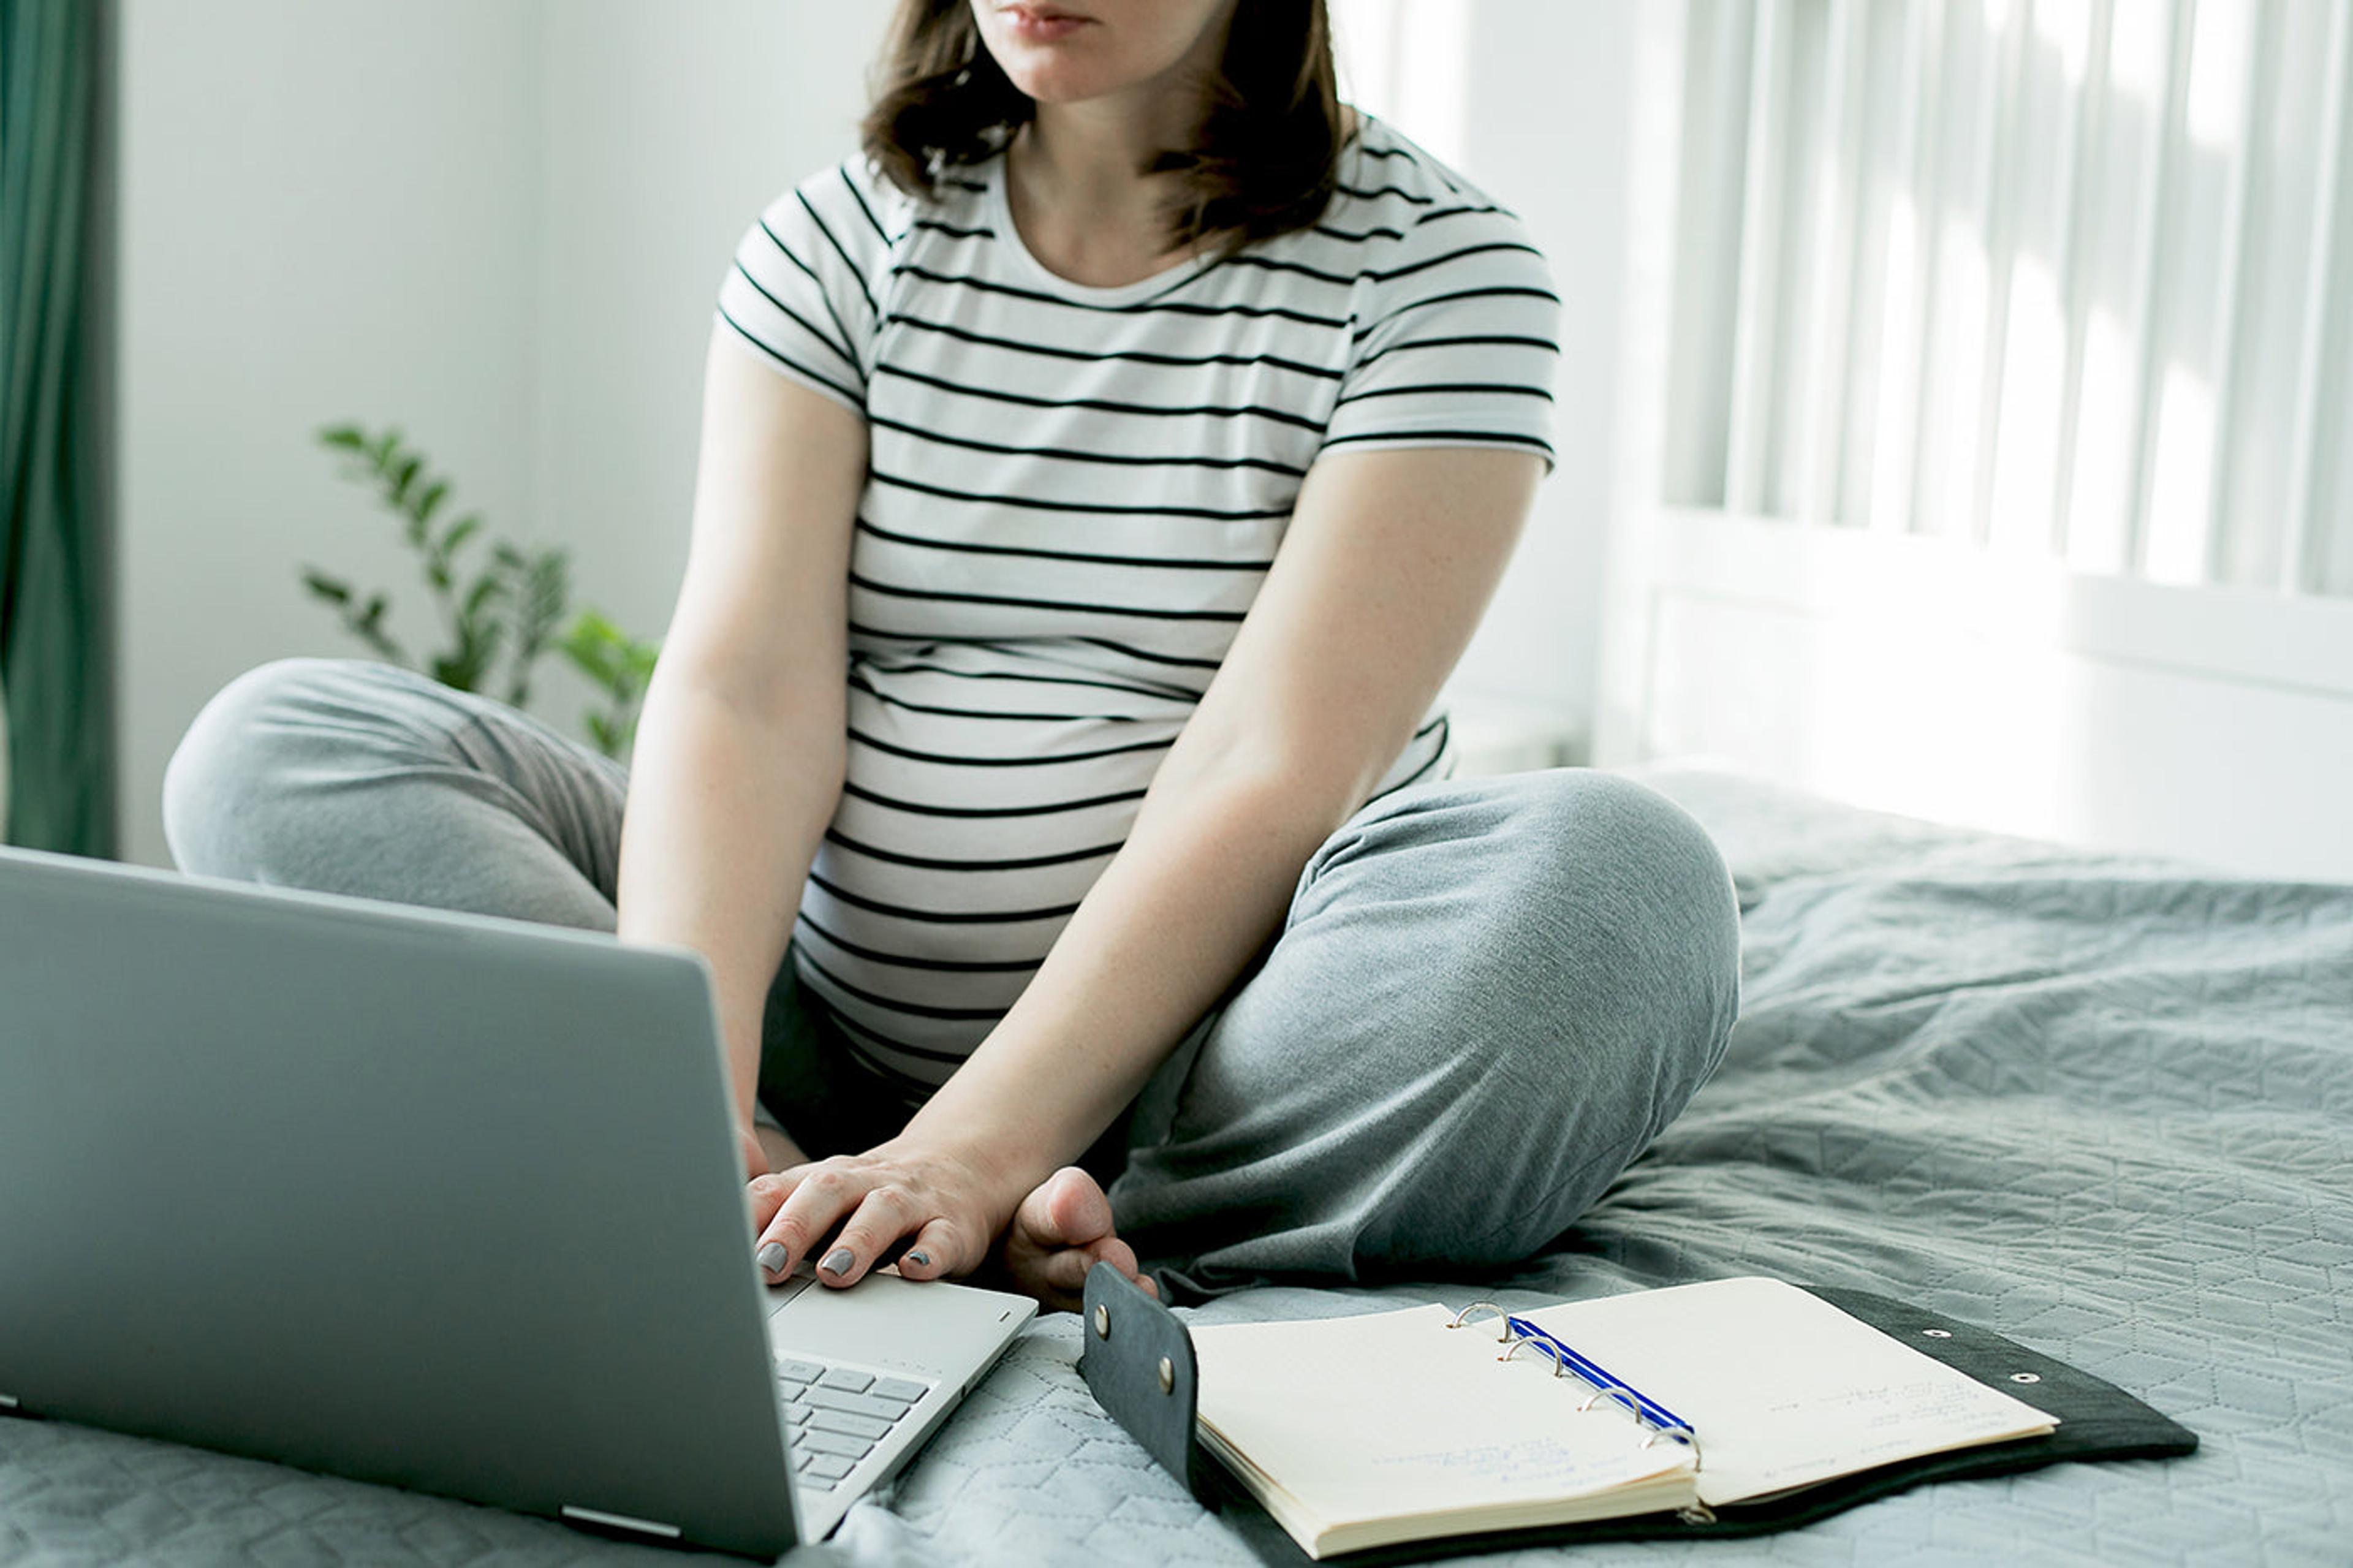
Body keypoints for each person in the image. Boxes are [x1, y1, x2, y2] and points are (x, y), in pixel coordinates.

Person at [164, 0, 1740, 1309]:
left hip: (1204, 1074)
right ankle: (795, 1195)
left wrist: (977, 1152)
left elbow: (1277, 763)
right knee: (275, 746)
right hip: (822, 1035)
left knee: (1623, 884)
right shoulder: (837, 241)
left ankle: (1074, 1215)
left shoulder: (1442, 270)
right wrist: (683, 1089)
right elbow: (743, 689)